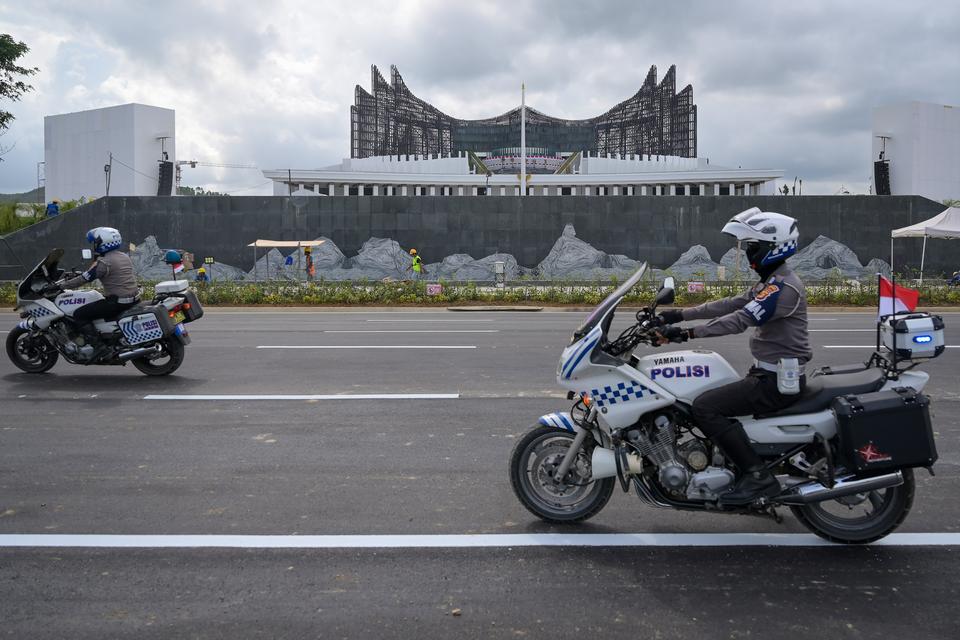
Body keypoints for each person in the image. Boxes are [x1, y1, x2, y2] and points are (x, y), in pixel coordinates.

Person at [655, 208, 811, 505]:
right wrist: (677, 315)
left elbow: (740, 319)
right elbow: (730, 304)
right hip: (769, 374)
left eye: (753, 246)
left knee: (704, 407)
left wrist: (686, 334)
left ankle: (757, 476)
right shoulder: (773, 281)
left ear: (774, 247)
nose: (749, 252)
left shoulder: (783, 287)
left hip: (775, 381)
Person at [59, 227, 139, 342]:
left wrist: (60, 286)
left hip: (117, 303)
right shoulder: (124, 256)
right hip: (133, 299)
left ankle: (97, 344)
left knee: (79, 314)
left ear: (102, 243)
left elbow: (84, 279)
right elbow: (94, 272)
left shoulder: (105, 262)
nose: (94, 245)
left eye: (95, 242)